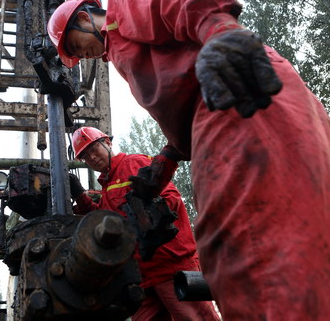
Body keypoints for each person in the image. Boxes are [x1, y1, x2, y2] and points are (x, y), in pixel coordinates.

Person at [48, 0, 330, 320]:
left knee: (252, 255)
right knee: (324, 236)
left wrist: (221, 36)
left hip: (235, 92)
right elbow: (182, 98)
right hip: (238, 103)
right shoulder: (122, 53)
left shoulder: (123, 3)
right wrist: (168, 159)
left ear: (86, 17)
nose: (84, 55)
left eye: (76, 46)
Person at [68, 126, 220, 321]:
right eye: (85, 156)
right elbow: (105, 221)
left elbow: (171, 199)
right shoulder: (107, 186)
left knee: (194, 318)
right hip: (140, 275)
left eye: (93, 149)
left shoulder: (133, 163)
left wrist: (146, 208)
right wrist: (80, 196)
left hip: (169, 265)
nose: (92, 157)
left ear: (107, 142)